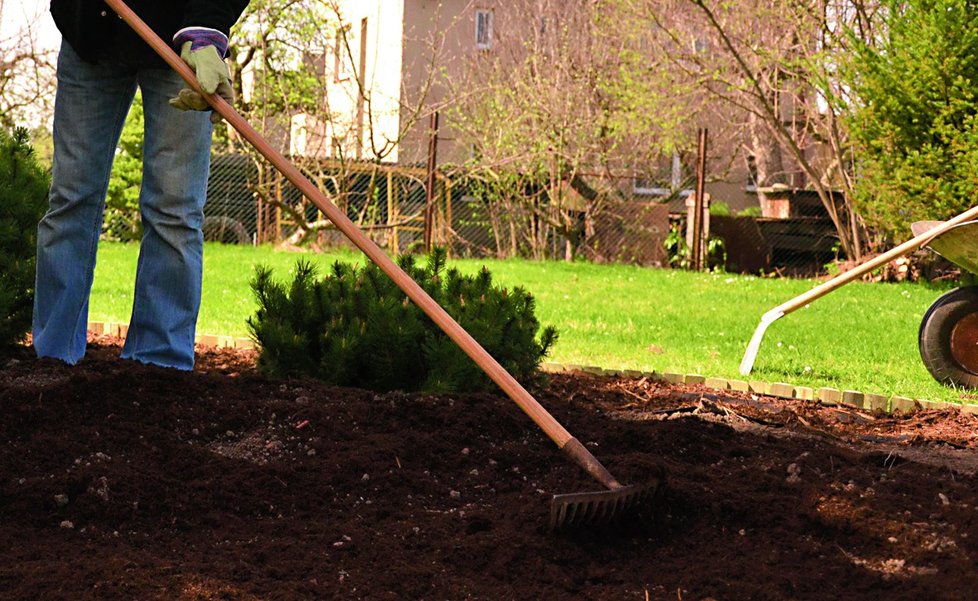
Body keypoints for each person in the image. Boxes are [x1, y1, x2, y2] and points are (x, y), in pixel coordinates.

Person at [34, 0, 250, 370]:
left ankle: (159, 366)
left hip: (179, 44)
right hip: (92, 35)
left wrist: (204, 33)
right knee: (71, 199)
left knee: (175, 208)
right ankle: (51, 359)